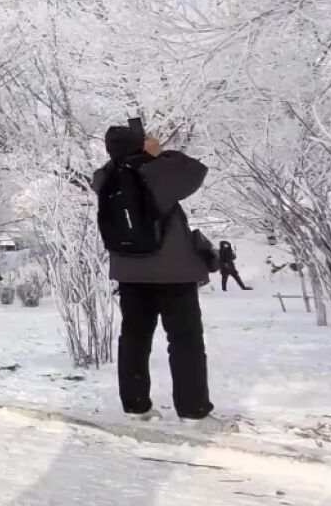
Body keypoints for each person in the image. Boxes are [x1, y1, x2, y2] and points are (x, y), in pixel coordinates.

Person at [93, 127, 230, 431]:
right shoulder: (157, 174)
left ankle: (136, 407)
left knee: (133, 339)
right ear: (141, 146)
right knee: (185, 341)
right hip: (173, 275)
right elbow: (195, 171)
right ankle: (193, 412)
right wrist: (159, 154)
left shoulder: (104, 178)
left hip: (129, 274)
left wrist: (126, 155)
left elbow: (103, 171)